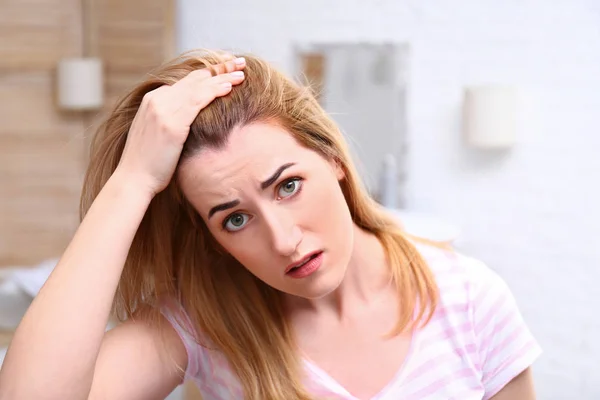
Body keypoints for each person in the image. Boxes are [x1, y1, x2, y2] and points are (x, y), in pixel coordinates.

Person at [0, 50, 542, 400]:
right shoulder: (205, 321)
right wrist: (132, 181)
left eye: (288, 185)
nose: (283, 241)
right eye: (234, 219)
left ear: (332, 158)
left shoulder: (471, 302)